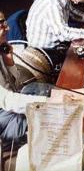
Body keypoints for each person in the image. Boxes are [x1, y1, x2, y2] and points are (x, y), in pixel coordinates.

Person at [0, 11, 48, 143]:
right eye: (1, 25)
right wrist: (48, 102)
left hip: (10, 104)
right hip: (4, 118)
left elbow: (16, 85)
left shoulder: (1, 50)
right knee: (49, 119)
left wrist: (9, 63)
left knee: (47, 91)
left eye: (5, 23)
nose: (7, 28)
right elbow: (8, 101)